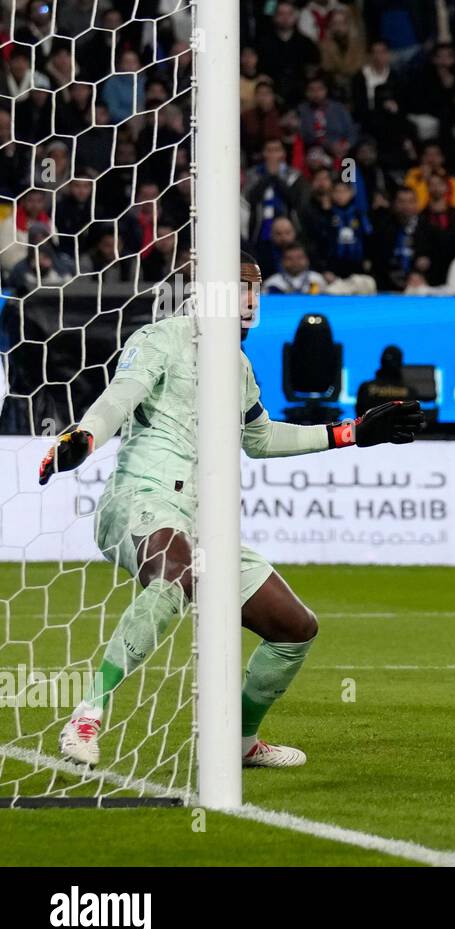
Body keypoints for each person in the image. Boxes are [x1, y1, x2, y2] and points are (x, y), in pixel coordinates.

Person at [40, 253, 424, 769]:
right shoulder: (161, 339)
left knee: (295, 628)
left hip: (205, 525)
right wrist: (83, 437)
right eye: (240, 286)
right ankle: (88, 714)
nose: (250, 298)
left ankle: (239, 741)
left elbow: (260, 438)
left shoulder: (238, 367)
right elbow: (118, 398)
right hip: (139, 500)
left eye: (255, 288)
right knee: (176, 575)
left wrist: (349, 433)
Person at [356, 345, 414, 417]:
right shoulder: (409, 391)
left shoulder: (365, 388)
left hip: (372, 428)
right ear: (400, 364)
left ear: (381, 361)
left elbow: (359, 419)